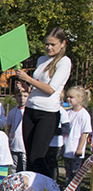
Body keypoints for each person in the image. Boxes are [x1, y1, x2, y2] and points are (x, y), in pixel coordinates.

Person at [16, 27, 72, 175]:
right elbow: (37, 87)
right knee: (29, 158)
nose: (49, 47)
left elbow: (50, 89)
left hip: (47, 114)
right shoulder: (42, 59)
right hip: (30, 110)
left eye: (53, 44)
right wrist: (26, 86)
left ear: (63, 43)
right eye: (47, 44)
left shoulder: (64, 62)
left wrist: (28, 79)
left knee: (37, 158)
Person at [62, 86, 92, 191]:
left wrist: (80, 148)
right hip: (67, 147)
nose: (68, 99)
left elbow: (85, 133)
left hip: (75, 150)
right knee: (68, 171)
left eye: (72, 97)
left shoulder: (84, 115)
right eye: (68, 97)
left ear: (80, 99)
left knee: (76, 173)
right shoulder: (68, 112)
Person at [6, 81, 30, 172]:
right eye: (19, 96)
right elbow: (9, 126)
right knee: (14, 166)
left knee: (25, 165)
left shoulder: (29, 111)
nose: (22, 99)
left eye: (25, 96)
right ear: (15, 97)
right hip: (15, 143)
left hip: (24, 144)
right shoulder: (12, 112)